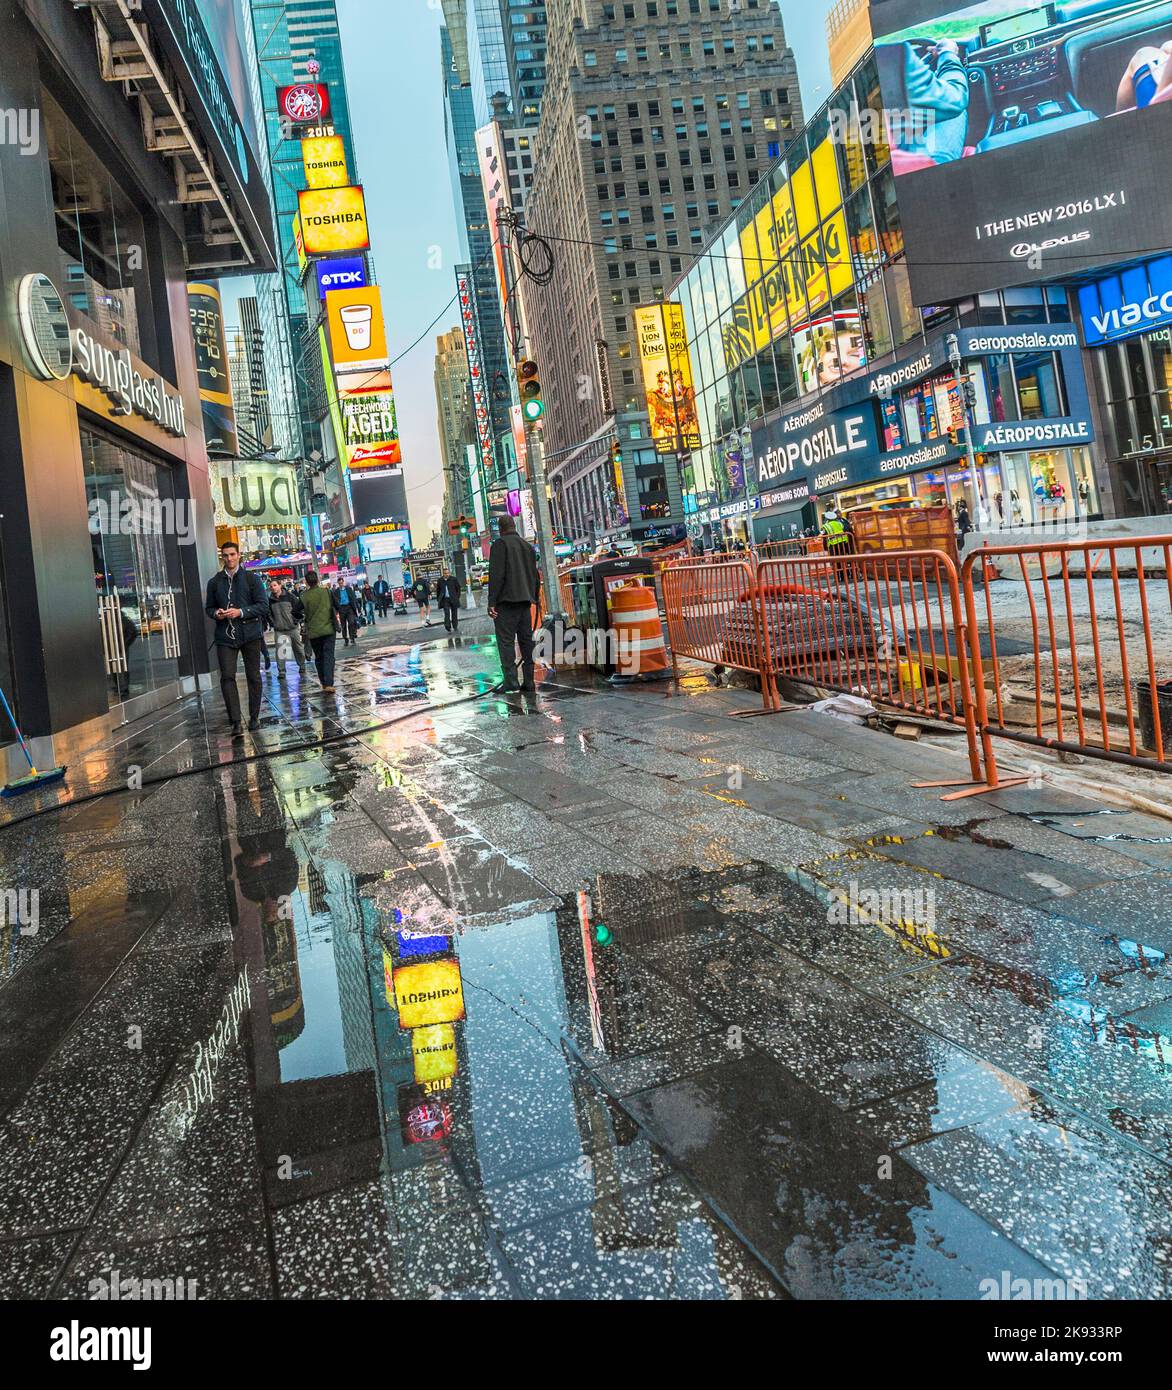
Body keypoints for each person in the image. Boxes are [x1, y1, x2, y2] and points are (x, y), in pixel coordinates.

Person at [205, 541, 270, 736]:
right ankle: (235, 721)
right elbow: (208, 608)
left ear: (239, 555)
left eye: (232, 555)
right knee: (227, 677)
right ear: (222, 557)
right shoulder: (215, 582)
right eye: (225, 555)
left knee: (254, 676)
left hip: (251, 635)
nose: (229, 559)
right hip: (225, 636)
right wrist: (217, 613)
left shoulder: (252, 579)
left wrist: (241, 612)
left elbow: (263, 606)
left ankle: (254, 717)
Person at [487, 515, 540, 693]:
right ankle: (529, 681)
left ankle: (511, 682)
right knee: (526, 641)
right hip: (525, 602)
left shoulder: (499, 545)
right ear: (514, 525)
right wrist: (535, 597)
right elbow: (535, 575)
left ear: (500, 529)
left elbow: (496, 576)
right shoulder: (527, 546)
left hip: (506, 603)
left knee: (506, 642)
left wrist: (491, 602)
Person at [302, 571, 339, 693]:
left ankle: (323, 682)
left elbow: (295, 611)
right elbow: (337, 606)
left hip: (313, 632)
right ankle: (329, 683)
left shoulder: (303, 596)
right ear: (318, 580)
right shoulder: (327, 592)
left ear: (306, 582)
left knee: (318, 657)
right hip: (329, 630)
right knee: (328, 656)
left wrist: (306, 617)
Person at [268, 579, 307, 679]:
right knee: (281, 651)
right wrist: (273, 623)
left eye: (275, 585)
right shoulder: (270, 600)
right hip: (279, 629)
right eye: (271, 586)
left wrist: (295, 621)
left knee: (298, 648)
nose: (273, 588)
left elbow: (299, 609)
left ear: (280, 585)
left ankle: (302, 665)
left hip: (292, 628)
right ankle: (282, 671)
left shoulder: (290, 597)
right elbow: (268, 614)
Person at [436, 567, 462, 632]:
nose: (447, 574)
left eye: (448, 573)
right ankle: (447, 626)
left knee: (454, 613)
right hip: (445, 599)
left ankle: (455, 626)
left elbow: (458, 588)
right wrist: (438, 598)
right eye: (445, 573)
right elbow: (438, 590)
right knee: (447, 613)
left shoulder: (453, 579)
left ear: (449, 573)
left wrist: (457, 596)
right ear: (443, 574)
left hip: (453, 598)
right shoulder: (440, 580)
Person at [334, 577, 359, 645]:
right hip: (341, 609)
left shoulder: (348, 589)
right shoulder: (336, 592)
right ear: (338, 584)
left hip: (349, 607)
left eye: (342, 583)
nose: (341, 584)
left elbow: (353, 598)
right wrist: (336, 611)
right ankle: (345, 638)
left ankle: (352, 638)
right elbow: (335, 601)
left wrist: (357, 607)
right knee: (343, 625)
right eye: (339, 583)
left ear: (343, 582)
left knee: (351, 622)